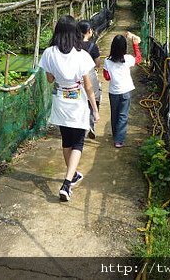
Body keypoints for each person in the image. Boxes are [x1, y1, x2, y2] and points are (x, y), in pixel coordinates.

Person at [38, 15, 100, 202]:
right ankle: (66, 183)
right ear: (75, 32)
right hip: (78, 101)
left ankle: (71, 175)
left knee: (66, 141)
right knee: (78, 143)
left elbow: (50, 79)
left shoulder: (48, 53)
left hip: (61, 100)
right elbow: (88, 87)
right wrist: (95, 110)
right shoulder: (81, 55)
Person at [103, 31, 142, 148]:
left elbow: (106, 77)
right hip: (125, 91)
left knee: (114, 114)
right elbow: (139, 59)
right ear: (124, 47)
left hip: (113, 92)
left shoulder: (107, 61)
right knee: (123, 115)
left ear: (112, 47)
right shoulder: (128, 59)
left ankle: (116, 135)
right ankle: (119, 140)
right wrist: (135, 45)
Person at [77, 19, 102, 140]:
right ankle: (90, 124)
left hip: (75, 78)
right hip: (89, 75)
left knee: (80, 100)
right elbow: (97, 64)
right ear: (88, 31)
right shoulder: (93, 46)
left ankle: (81, 125)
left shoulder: (73, 46)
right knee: (93, 98)